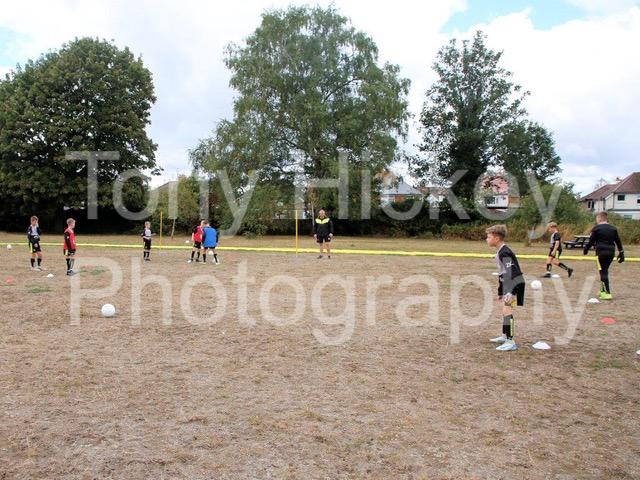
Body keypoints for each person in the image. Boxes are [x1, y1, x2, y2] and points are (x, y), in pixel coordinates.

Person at [486, 224, 525, 352]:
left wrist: (512, 291)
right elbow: (503, 273)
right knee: (504, 310)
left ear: (497, 238)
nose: (487, 239)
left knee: (507, 310)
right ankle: (504, 336)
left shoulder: (504, 252)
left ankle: (510, 341)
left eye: (489, 237)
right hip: (508, 283)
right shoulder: (500, 251)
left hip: (514, 284)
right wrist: (500, 291)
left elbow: (513, 272)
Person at [583, 211, 624, 300]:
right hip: (611, 253)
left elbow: (591, 241)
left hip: (600, 252)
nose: (596, 220)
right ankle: (602, 290)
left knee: (603, 272)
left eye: (597, 219)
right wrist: (621, 252)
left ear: (600, 218)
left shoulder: (596, 228)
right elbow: (618, 241)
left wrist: (586, 249)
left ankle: (607, 293)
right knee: (605, 270)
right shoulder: (613, 229)